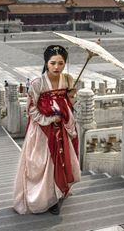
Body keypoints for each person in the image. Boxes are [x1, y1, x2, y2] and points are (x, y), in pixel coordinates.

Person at [13, 45, 80, 215]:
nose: (57, 67)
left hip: (63, 128)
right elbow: (31, 109)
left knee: (62, 160)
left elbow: (70, 105)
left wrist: (71, 96)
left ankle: (58, 193)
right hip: (42, 130)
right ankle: (46, 198)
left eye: (61, 63)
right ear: (46, 63)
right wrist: (49, 119)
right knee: (44, 163)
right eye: (53, 63)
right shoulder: (37, 84)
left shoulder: (69, 80)